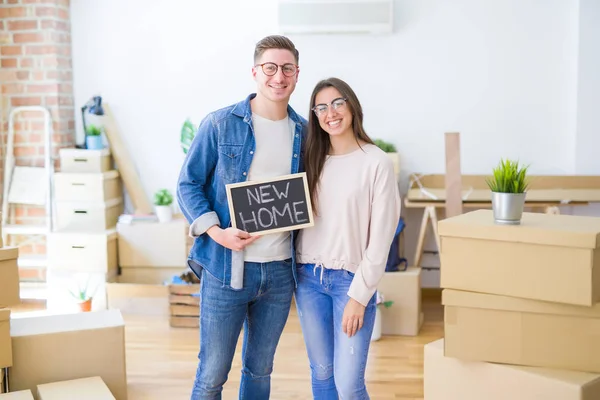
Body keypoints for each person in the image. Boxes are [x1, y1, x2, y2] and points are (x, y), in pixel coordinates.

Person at [177, 35, 307, 400]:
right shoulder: (220, 124)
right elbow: (188, 184)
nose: (278, 77)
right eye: (270, 68)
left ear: (297, 74)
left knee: (260, 369)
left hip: (280, 272)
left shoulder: (305, 133)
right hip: (225, 268)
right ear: (255, 72)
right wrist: (217, 233)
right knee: (212, 372)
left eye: (287, 68)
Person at [294, 77, 401, 399]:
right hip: (308, 277)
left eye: (338, 103)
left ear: (352, 106)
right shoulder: (309, 162)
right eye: (322, 107)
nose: (331, 113)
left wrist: (359, 297)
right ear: (315, 115)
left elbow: (381, 241)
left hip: (350, 282)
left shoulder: (376, 162)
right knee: (322, 374)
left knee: (348, 384)